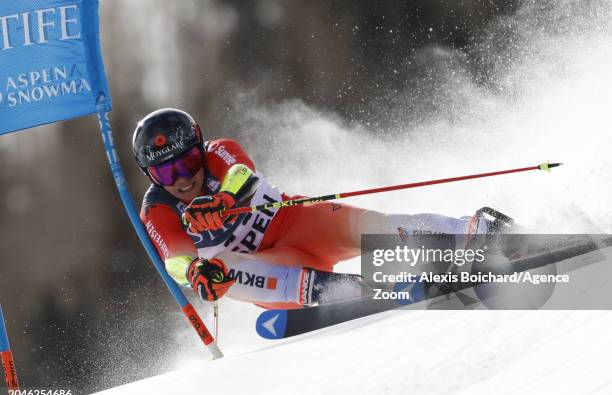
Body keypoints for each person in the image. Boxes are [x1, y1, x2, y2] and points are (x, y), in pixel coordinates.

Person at [134, 108, 506, 309]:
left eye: (185, 164)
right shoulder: (158, 208)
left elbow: (241, 174)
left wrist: (224, 200)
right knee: (223, 269)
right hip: (275, 271)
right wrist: (196, 271)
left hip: (295, 221)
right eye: (165, 172)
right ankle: (353, 291)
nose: (180, 179)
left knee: (374, 227)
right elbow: (174, 260)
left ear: (199, 149)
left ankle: (475, 235)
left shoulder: (218, 152)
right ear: (150, 175)